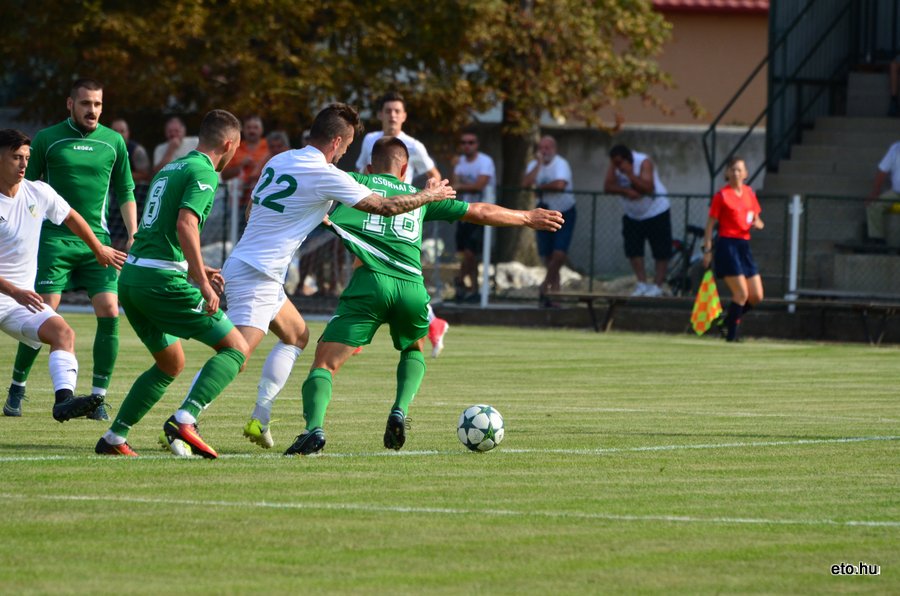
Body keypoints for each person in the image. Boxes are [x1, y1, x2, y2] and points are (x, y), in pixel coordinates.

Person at [284, 137, 563, 456]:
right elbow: (480, 211)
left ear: (370, 166)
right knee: (414, 347)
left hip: (369, 284)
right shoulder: (420, 196)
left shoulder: (354, 181)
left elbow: (310, 185)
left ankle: (314, 429)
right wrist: (527, 217)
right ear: (404, 169)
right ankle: (400, 409)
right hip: (412, 289)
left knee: (325, 364)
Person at [222, 104, 456, 451]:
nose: (344, 154)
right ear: (336, 141)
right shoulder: (332, 176)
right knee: (235, 353)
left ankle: (275, 419)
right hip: (271, 271)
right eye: (344, 147)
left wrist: (284, 227)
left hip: (265, 266)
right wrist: (431, 194)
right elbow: (467, 210)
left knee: (301, 339)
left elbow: (253, 205)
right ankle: (186, 417)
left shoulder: (281, 160)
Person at [94, 109, 250, 457]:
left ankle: (114, 438)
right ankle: (185, 419)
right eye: (236, 148)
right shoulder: (204, 172)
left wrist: (195, 266)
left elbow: (160, 231)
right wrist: (201, 282)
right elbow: (185, 224)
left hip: (134, 277)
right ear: (227, 144)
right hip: (159, 282)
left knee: (170, 364)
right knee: (236, 348)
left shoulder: (172, 167)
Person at [5, 78, 137, 421]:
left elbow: (125, 190)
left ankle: (97, 397)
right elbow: (21, 187)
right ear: (70, 104)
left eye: (97, 104)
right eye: (85, 104)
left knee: (109, 311)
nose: (92, 110)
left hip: (98, 241)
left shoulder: (113, 142)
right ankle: (18, 386)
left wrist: (132, 233)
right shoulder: (47, 140)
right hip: (53, 240)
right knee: (44, 309)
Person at [702, 156, 764, 343]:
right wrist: (707, 250)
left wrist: (758, 224)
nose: (736, 173)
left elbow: (758, 220)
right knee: (741, 294)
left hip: (743, 245)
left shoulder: (749, 194)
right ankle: (731, 336)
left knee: (756, 296)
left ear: (745, 174)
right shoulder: (722, 196)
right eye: (733, 169)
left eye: (740, 170)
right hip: (727, 245)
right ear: (727, 173)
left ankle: (726, 321)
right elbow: (710, 225)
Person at [604, 144, 672, 297]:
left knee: (661, 251)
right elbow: (607, 186)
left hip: (656, 211)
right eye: (614, 163)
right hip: (633, 215)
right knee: (633, 250)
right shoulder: (615, 166)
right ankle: (641, 283)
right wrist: (625, 191)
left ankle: (658, 286)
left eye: (619, 163)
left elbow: (648, 188)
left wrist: (630, 175)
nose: (617, 167)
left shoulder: (643, 162)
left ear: (628, 160)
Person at [522, 135, 577, 305]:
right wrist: (538, 165)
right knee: (548, 256)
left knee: (559, 254)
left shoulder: (561, 164)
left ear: (554, 149)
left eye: (548, 148)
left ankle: (545, 286)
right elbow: (525, 183)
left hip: (564, 212)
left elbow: (560, 185)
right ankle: (555, 295)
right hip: (545, 213)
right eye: (542, 148)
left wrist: (539, 188)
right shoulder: (534, 165)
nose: (544, 151)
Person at [355, 91, 440, 184]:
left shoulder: (414, 146)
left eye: (397, 111)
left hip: (401, 198)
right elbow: (359, 168)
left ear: (404, 116)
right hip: (372, 197)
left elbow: (434, 175)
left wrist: (424, 196)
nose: (392, 115)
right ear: (380, 115)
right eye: (388, 111)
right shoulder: (369, 139)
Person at [451, 130, 496, 301]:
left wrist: (461, 186)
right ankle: (471, 288)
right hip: (464, 211)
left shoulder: (485, 161)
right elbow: (454, 184)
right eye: (464, 142)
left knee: (471, 253)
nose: (467, 146)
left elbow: (479, 186)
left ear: (477, 144)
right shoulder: (460, 162)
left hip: (482, 211)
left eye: (471, 142)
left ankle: (462, 281)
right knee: (464, 254)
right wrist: (454, 168)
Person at [222, 115, 269, 220]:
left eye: (255, 127)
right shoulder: (235, 148)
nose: (252, 131)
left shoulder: (269, 147)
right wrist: (241, 166)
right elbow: (224, 175)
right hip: (239, 203)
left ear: (261, 130)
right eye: (249, 127)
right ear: (243, 130)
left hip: (264, 201)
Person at [865, 141, 900, 243]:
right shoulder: (895, 149)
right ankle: (877, 239)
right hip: (896, 193)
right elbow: (882, 171)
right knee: (873, 206)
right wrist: (874, 193)